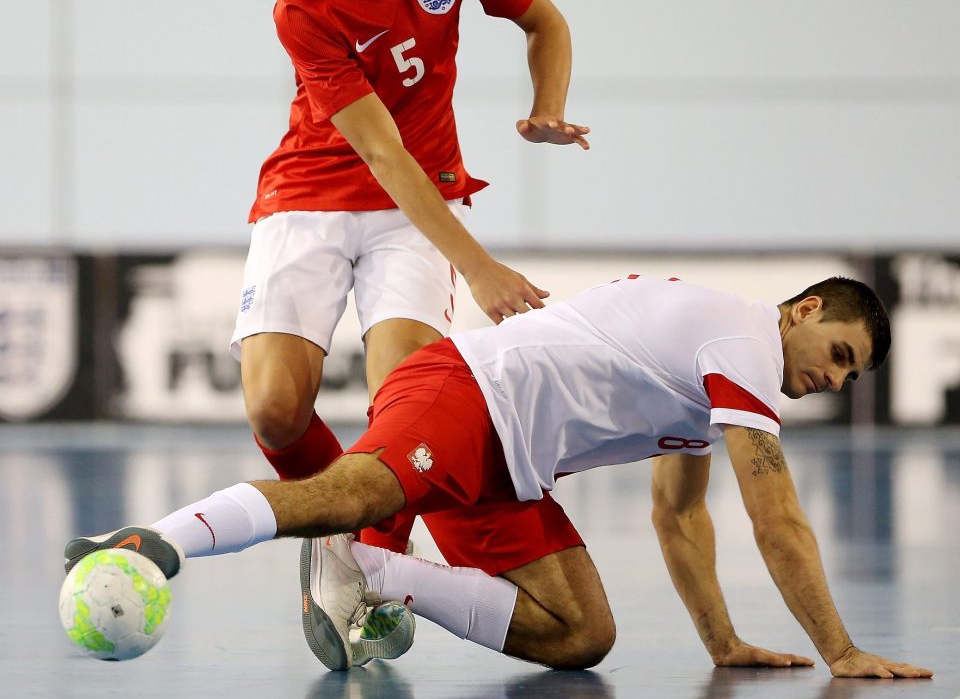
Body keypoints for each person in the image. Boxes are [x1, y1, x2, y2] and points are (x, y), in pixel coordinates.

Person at [65, 274, 932, 678]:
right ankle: (151, 543)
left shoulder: (721, 385)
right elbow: (775, 515)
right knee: (362, 490)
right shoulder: (742, 336)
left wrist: (723, 641)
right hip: (470, 392)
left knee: (581, 634)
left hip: (513, 464)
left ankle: (371, 573)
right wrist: (841, 651)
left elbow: (681, 516)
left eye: (851, 378)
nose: (834, 378)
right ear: (806, 310)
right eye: (840, 355)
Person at [234, 0, 588, 634]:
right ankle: (350, 536)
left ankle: (362, 572)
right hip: (309, 198)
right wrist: (479, 265)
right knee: (275, 412)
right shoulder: (303, 3)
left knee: (403, 406)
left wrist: (548, 106)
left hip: (417, 211)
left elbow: (546, 22)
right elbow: (382, 154)